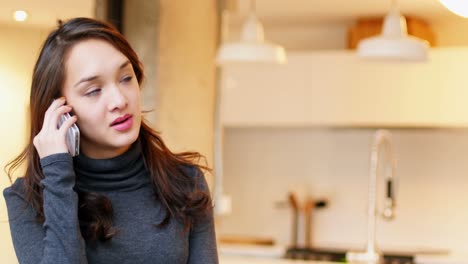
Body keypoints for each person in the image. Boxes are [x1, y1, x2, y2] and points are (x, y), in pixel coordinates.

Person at [3, 17, 218, 264]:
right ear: (60, 111)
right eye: (94, 90)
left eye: (126, 78)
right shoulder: (30, 199)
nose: (119, 100)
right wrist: (57, 174)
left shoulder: (186, 182)